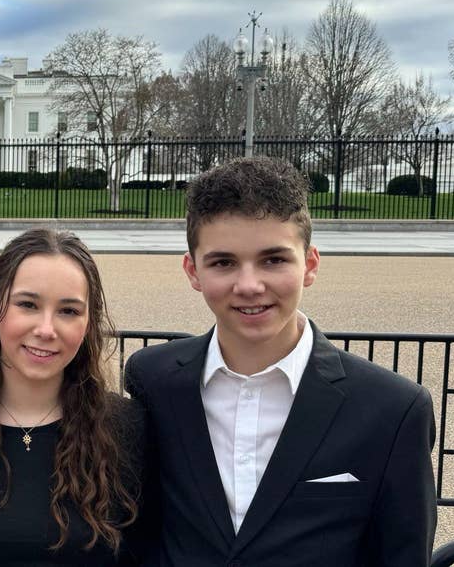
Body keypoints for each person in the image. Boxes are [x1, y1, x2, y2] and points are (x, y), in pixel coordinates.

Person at [125, 156, 437, 566]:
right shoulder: (154, 380)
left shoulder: (393, 409)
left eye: (274, 260)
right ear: (193, 270)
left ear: (309, 264)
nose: (250, 285)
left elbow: (402, 556)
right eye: (224, 262)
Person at [0, 228, 146, 566]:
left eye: (68, 311)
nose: (46, 329)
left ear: (88, 323)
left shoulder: (128, 428)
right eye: (28, 304)